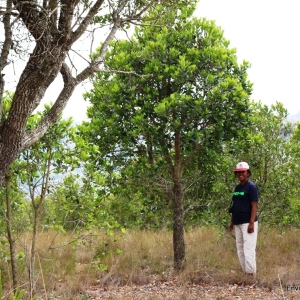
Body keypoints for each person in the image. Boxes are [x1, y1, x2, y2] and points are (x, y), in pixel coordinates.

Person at [229, 161, 259, 278]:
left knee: (248, 249)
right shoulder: (237, 188)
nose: (240, 174)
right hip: (237, 222)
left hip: (247, 223)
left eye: (243, 172)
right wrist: (232, 222)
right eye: (238, 172)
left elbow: (254, 206)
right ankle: (245, 272)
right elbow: (235, 204)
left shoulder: (251, 187)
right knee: (240, 249)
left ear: (248, 173)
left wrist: (251, 223)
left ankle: (250, 274)